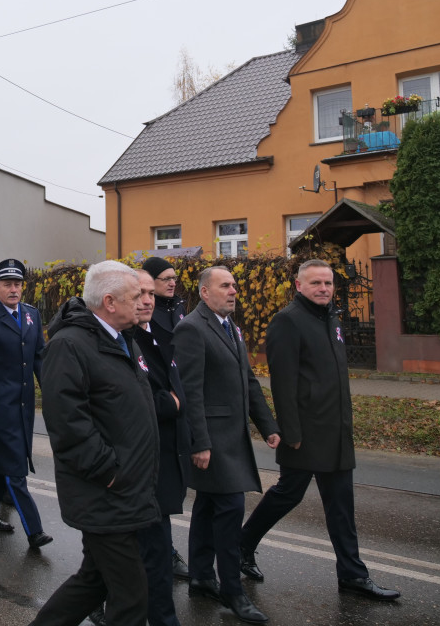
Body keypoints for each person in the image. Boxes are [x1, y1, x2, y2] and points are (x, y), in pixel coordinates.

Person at [240, 260, 400, 601]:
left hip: (336, 430)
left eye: (327, 283)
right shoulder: (287, 321)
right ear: (299, 286)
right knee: (288, 494)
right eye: (315, 283)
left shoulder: (331, 317)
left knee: (342, 506)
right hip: (306, 432)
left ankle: (353, 577)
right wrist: (291, 433)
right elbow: (283, 383)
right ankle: (241, 547)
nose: (323, 288)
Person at [29, 261, 158, 626]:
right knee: (131, 597)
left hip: (123, 488)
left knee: (94, 580)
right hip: (104, 491)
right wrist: (108, 471)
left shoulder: (120, 338)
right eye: (136, 296)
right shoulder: (69, 346)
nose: (144, 302)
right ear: (110, 301)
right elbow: (68, 423)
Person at [175, 266, 280, 625]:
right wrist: (199, 442)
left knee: (207, 506)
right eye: (225, 286)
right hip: (213, 441)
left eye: (234, 285)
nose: (234, 291)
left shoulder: (230, 327)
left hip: (232, 437)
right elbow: (190, 391)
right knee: (231, 508)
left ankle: (203, 576)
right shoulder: (191, 328)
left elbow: (248, 381)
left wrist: (268, 426)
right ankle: (233, 593)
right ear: (205, 292)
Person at [0, 258, 51, 549]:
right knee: (15, 467)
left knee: (3, 464)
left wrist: (51, 389)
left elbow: (39, 356)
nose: (13, 289)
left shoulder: (31, 315)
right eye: (7, 284)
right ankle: (34, 530)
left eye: (17, 284)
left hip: (25, 406)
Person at [140, 256, 191, 580]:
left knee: (167, 497)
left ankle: (164, 555)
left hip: (177, 409)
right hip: (158, 415)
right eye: (165, 278)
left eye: (175, 278)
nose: (172, 283)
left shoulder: (179, 311)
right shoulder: (146, 319)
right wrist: (170, 400)